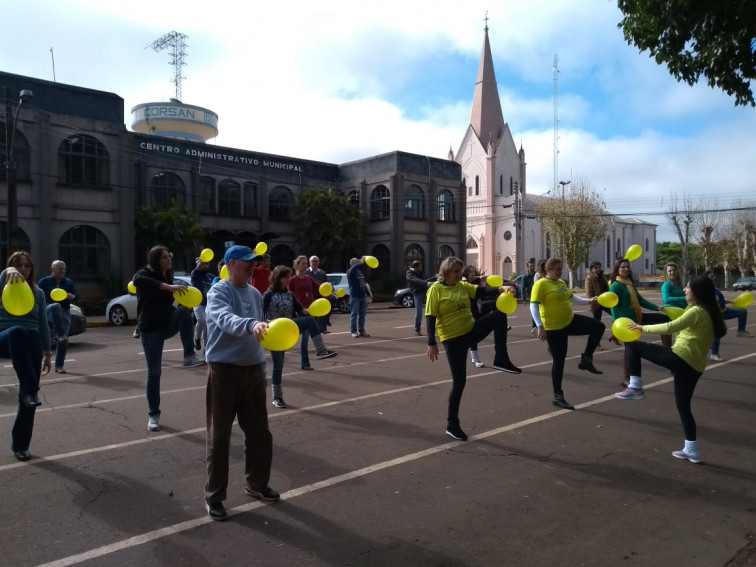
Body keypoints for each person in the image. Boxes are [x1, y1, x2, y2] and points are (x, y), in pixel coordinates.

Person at [203, 245, 281, 521]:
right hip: (224, 372)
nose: (252, 266)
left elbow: (259, 328)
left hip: (253, 372)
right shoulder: (219, 291)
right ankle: (214, 496)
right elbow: (225, 319)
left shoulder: (255, 293)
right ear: (231, 264)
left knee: (261, 434)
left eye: (254, 262)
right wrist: (250, 325)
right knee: (220, 437)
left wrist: (262, 351)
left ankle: (257, 484)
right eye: (247, 262)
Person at [619, 275, 727, 464]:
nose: (685, 290)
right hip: (695, 366)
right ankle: (692, 450)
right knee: (683, 407)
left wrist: (640, 327)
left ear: (697, 292)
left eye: (687, 287)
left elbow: (670, 327)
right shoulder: (709, 310)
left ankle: (635, 387)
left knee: (632, 345)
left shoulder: (697, 312)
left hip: (681, 357)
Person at [426, 256, 521, 441]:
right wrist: (431, 342)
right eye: (455, 272)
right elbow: (430, 316)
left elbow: (481, 291)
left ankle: (501, 358)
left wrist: (502, 288)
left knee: (499, 314)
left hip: (471, 330)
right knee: (459, 382)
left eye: (460, 272)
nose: (458, 275)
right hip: (453, 340)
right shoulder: (436, 290)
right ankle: (452, 424)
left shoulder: (462, 286)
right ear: (445, 271)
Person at [134, 245, 205, 432]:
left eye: (169, 256)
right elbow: (137, 280)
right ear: (156, 259)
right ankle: (153, 415)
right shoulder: (145, 272)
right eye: (165, 257)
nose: (169, 259)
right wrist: (168, 287)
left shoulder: (169, 274)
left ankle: (189, 355)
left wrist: (181, 290)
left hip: (167, 322)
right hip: (150, 329)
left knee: (184, 310)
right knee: (154, 372)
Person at [530, 257, 604, 410]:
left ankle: (586, 359)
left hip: (569, 320)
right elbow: (533, 306)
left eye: (561, 269)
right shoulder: (541, 284)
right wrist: (540, 327)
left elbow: (572, 297)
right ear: (549, 270)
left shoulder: (561, 283)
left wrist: (589, 300)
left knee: (598, 327)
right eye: (558, 269)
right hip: (553, 327)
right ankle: (558, 396)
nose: (560, 272)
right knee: (559, 361)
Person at [0, 251, 52, 461]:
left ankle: (20, 445)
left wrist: (48, 353)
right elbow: (4, 275)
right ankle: (30, 389)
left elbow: (43, 325)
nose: (23, 269)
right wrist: (8, 270)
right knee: (18, 331)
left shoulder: (38, 293)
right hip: (5, 337)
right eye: (18, 265)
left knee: (28, 401)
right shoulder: (3, 283)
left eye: (26, 265)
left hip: (31, 343)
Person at [263, 265, 337, 408]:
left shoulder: (290, 295)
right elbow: (261, 313)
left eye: (288, 277)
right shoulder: (268, 295)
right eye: (285, 277)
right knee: (278, 367)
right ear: (278, 278)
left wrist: (310, 309)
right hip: (275, 332)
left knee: (309, 320)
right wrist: (265, 325)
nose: (287, 280)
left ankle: (321, 350)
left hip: (290, 327)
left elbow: (301, 310)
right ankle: (277, 397)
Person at [608, 258, 669, 393]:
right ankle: (626, 378)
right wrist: (617, 327)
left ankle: (668, 350)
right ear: (617, 269)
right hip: (626, 324)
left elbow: (640, 300)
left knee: (664, 319)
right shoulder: (616, 285)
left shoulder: (629, 283)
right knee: (630, 349)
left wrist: (657, 308)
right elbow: (613, 307)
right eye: (623, 267)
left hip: (638, 317)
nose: (626, 269)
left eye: (627, 267)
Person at [289, 255, 336, 367]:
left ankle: (309, 360)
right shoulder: (292, 280)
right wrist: (297, 309)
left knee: (310, 335)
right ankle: (307, 361)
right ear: (297, 265)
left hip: (311, 309)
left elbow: (320, 288)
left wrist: (331, 292)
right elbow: (290, 296)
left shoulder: (309, 278)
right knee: (305, 338)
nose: (305, 266)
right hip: (301, 311)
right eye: (303, 264)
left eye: (306, 263)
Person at [37, 259, 79, 373]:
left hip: (64, 312)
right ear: (52, 269)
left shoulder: (68, 282)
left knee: (64, 340)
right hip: (48, 309)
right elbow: (35, 295)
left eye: (64, 269)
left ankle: (59, 366)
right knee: (55, 306)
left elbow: (76, 295)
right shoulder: (44, 281)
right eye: (60, 268)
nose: (63, 271)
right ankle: (60, 334)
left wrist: (72, 296)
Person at [705, 270, 752, 361]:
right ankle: (714, 354)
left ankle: (741, 331)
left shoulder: (715, 288)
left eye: (713, 276)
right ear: (706, 278)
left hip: (725, 311)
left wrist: (731, 301)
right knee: (717, 333)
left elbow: (720, 299)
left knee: (742, 311)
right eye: (710, 276)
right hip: (715, 315)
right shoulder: (705, 290)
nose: (713, 278)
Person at [190, 256, 215, 351]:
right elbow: (198, 267)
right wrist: (203, 259)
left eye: (206, 264)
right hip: (197, 303)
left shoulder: (210, 277)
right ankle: (197, 338)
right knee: (202, 320)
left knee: (207, 325)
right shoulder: (195, 274)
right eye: (202, 264)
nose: (204, 266)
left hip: (208, 304)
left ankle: (206, 347)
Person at [347, 257, 372, 338]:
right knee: (354, 314)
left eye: (358, 262)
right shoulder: (350, 271)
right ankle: (353, 331)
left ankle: (362, 331)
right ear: (352, 264)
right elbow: (353, 268)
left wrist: (368, 294)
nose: (358, 263)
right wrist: (360, 262)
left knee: (362, 315)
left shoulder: (360, 272)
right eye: (356, 262)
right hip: (354, 296)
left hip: (362, 296)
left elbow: (363, 284)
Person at [305, 255, 331, 333]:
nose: (314, 263)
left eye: (316, 261)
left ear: (318, 263)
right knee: (313, 313)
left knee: (323, 312)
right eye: (313, 261)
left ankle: (323, 328)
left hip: (321, 296)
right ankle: (314, 329)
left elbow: (327, 282)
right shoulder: (306, 272)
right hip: (310, 296)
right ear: (310, 262)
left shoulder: (322, 272)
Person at [585, 261, 610, 338]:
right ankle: (596, 341)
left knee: (615, 314)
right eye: (596, 268)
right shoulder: (590, 278)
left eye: (599, 267)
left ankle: (614, 334)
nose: (598, 269)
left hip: (605, 301)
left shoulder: (602, 276)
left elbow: (611, 275)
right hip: (597, 303)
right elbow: (589, 293)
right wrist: (592, 304)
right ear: (591, 269)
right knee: (597, 323)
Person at [406, 260, 429, 336]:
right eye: (420, 266)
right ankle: (417, 329)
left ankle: (433, 329)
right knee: (419, 312)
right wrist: (425, 283)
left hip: (425, 292)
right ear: (416, 267)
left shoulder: (421, 273)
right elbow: (415, 280)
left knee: (432, 310)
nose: (421, 267)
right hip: (417, 293)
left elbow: (425, 280)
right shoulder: (409, 273)